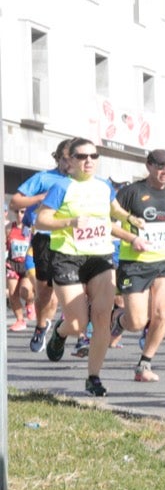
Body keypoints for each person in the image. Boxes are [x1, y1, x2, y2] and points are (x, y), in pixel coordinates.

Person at [35, 139, 133, 397]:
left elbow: (114, 212)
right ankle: (60, 331)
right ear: (70, 160)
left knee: (102, 316)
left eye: (93, 155)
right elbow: (41, 219)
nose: (88, 160)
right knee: (78, 324)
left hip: (100, 257)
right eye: (82, 156)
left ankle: (93, 377)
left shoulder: (104, 186)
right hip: (67, 257)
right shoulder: (61, 186)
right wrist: (71, 221)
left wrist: (131, 220)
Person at [110, 148, 165, 383]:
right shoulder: (131, 192)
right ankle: (119, 320)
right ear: (149, 166)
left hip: (164, 261)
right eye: (161, 166)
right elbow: (109, 224)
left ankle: (145, 363)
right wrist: (132, 238)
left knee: (163, 314)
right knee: (137, 322)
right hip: (135, 262)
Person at [11, 139, 73, 351]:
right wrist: (42, 197)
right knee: (46, 292)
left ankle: (84, 332)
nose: (70, 163)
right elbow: (15, 202)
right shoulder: (44, 178)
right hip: (45, 238)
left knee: (77, 288)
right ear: (58, 158)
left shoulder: (85, 182)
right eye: (66, 158)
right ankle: (41, 325)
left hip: (75, 239)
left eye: (75, 157)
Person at [6, 209, 33, 330]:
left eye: (22, 212)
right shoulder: (9, 228)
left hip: (27, 264)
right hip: (13, 264)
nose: (19, 215)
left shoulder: (31, 229)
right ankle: (20, 320)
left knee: (24, 291)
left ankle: (30, 302)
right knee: (12, 293)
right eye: (17, 212)